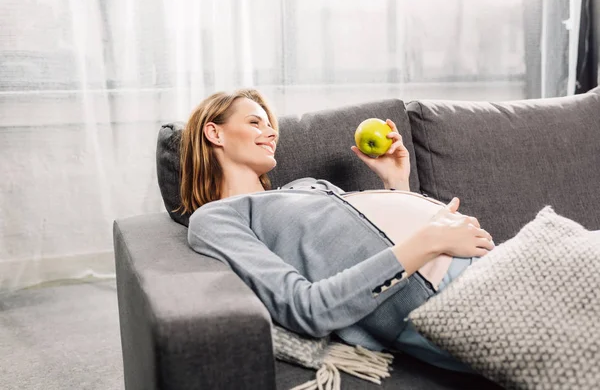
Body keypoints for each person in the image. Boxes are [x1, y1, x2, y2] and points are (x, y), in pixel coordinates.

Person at [178, 89, 495, 374]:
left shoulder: (307, 187)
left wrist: (396, 185)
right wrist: (431, 240)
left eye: (269, 125)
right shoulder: (217, 217)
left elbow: (375, 239)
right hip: (447, 296)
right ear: (214, 133)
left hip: (482, 262)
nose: (271, 132)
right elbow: (308, 308)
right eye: (255, 123)